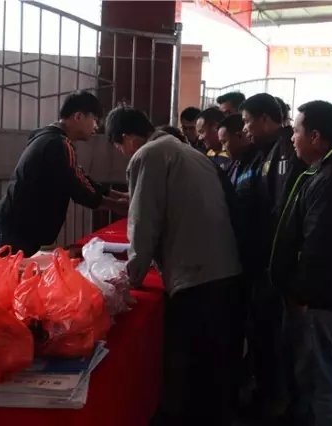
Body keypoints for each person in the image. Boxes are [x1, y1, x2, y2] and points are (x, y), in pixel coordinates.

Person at [105, 106, 243, 426]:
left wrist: (131, 278)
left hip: (195, 276)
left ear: (127, 138)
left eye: (119, 146)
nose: (123, 153)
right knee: (215, 364)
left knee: (191, 364)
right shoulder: (188, 152)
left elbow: (144, 222)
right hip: (225, 268)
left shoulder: (148, 154)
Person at [271, 100, 332, 426]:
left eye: (297, 131)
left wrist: (301, 294)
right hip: (325, 293)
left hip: (326, 298)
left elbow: (320, 248)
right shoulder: (326, 166)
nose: (292, 138)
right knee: (311, 370)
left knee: (319, 375)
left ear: (315, 136)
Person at [0, 91, 127, 256]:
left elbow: (80, 178)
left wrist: (119, 196)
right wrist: (118, 206)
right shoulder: (58, 144)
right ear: (78, 116)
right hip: (15, 234)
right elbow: (79, 190)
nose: (96, 127)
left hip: (17, 229)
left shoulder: (50, 137)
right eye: (94, 120)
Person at [239, 93, 307, 421]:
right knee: (263, 335)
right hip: (264, 262)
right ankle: (267, 395)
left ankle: (275, 402)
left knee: (274, 338)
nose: (245, 129)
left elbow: (282, 218)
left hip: (274, 266)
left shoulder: (285, 154)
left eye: (247, 122)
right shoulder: (267, 152)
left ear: (265, 119)